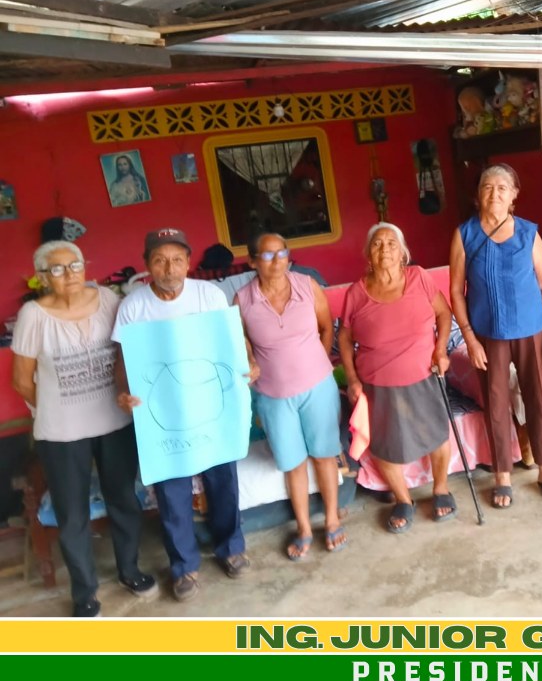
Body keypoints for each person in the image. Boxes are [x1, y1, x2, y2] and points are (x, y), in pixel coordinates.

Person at [11, 241, 156, 617]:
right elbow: (22, 380)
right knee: (72, 513)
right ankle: (85, 593)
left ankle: (129, 570)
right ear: (43, 277)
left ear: (85, 266)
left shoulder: (108, 300)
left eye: (74, 265)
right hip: (62, 433)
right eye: (57, 269)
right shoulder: (33, 315)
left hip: (114, 422)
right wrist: (57, 409)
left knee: (123, 499)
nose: (69, 274)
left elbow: (128, 350)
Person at [112, 228, 254, 602]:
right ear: (147, 265)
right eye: (159, 260)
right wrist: (122, 392)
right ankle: (184, 567)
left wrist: (248, 364)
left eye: (177, 260)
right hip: (164, 415)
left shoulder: (209, 295)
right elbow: (122, 358)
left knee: (223, 481)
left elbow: (233, 339)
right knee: (171, 491)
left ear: (189, 263)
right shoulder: (133, 306)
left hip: (211, 407)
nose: (169, 268)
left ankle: (231, 548)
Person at [449, 163, 542, 508]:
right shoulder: (465, 235)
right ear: (477, 195)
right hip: (488, 335)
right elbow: (456, 291)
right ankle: (502, 473)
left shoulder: (529, 233)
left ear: (514, 195)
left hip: (532, 330)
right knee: (496, 404)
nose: (495, 193)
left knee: (537, 399)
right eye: (487, 187)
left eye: (502, 188)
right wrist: (470, 338)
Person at [235, 232, 347, 558]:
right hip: (273, 395)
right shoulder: (242, 300)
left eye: (282, 253)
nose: (277, 261)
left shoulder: (307, 286)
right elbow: (240, 341)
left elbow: (326, 327)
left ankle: (332, 519)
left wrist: (318, 362)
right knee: (292, 463)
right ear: (253, 262)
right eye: (267, 255)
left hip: (318, 388)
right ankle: (304, 527)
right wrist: (250, 360)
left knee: (324, 454)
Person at [338, 223, 456, 533]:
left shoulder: (419, 277)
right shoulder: (356, 293)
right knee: (385, 444)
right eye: (377, 244)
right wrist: (352, 379)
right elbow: (344, 338)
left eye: (391, 243)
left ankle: (441, 488)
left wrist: (441, 350)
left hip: (424, 374)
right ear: (368, 254)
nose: (385, 249)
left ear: (402, 252)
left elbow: (444, 314)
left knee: (437, 434)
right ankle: (403, 499)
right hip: (378, 382)